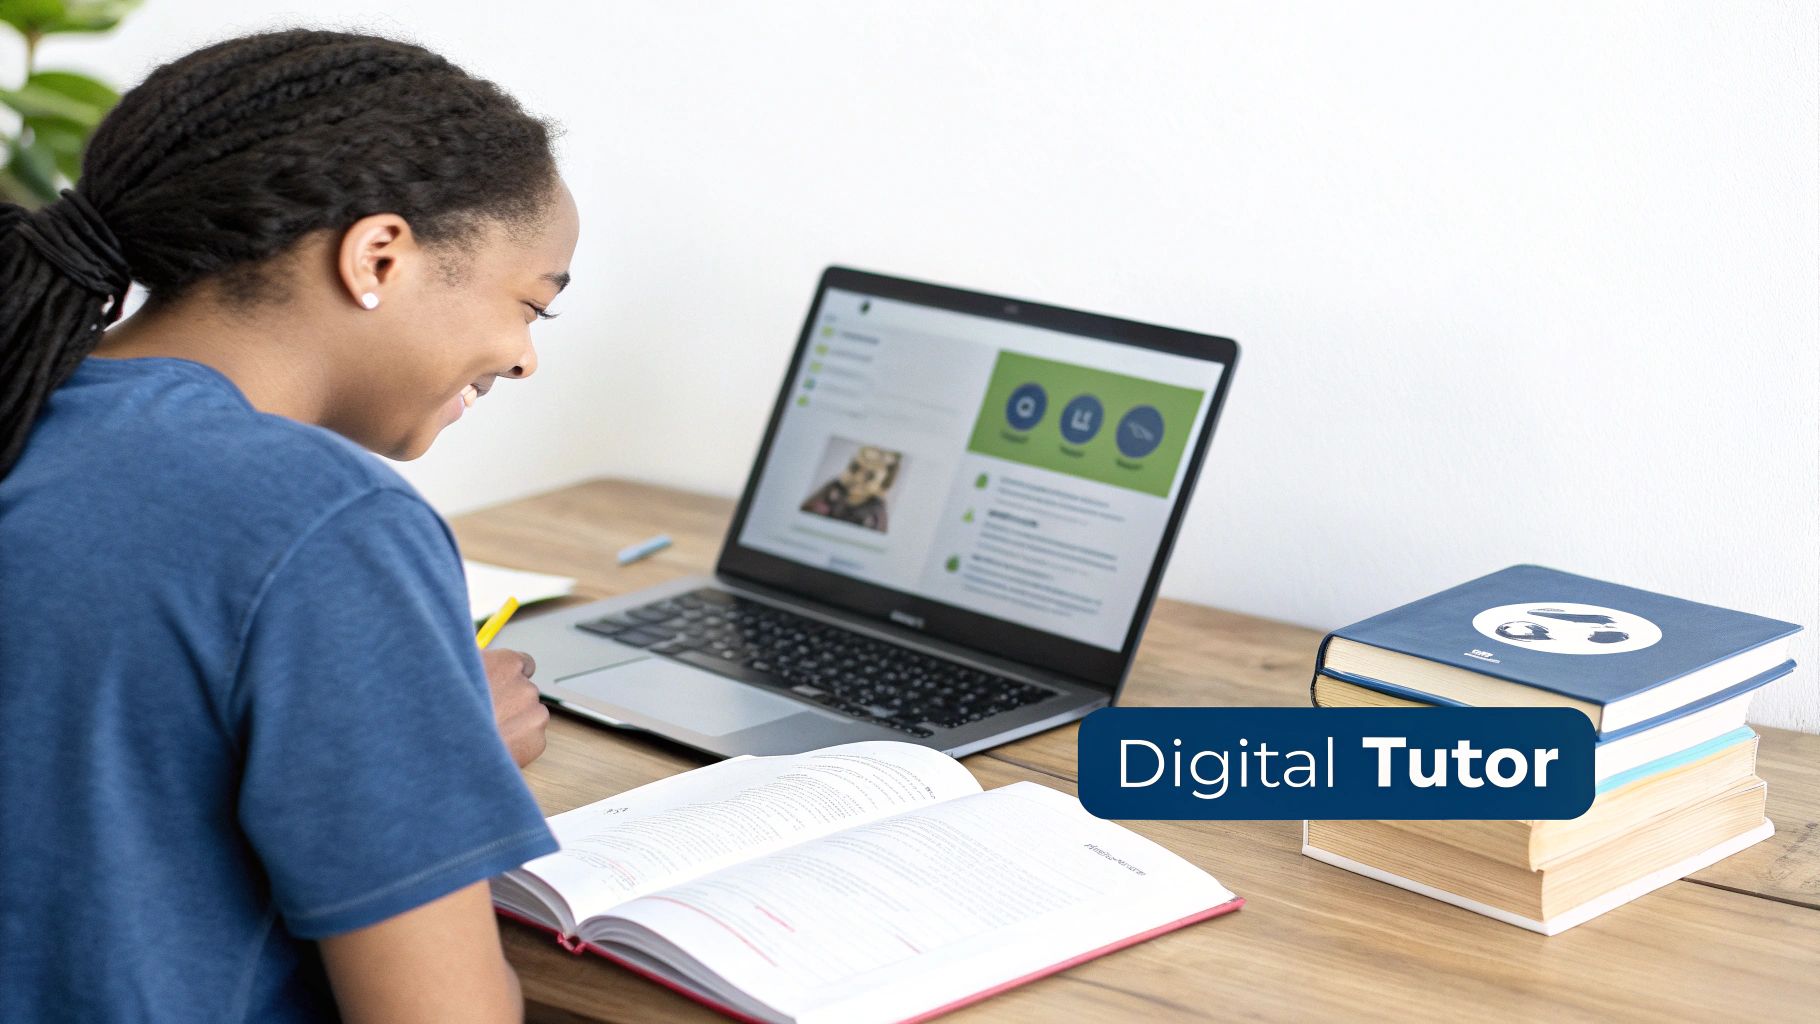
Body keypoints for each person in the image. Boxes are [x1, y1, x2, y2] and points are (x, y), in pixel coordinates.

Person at [0, 29, 580, 1023]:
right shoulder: (326, 517)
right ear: (379, 254)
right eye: (530, 305)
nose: (523, 359)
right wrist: (439, 764)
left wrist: (412, 742)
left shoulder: (24, 403)